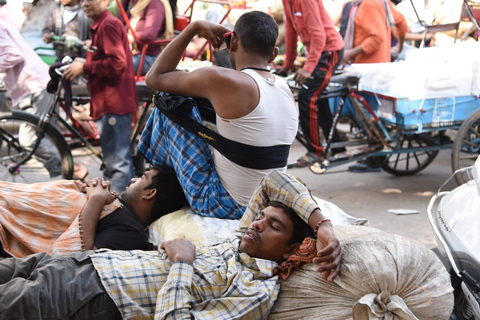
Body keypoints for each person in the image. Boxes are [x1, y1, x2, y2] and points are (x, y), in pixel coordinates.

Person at [0, 169, 342, 319]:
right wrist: (322, 225)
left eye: (274, 226)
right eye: (261, 216)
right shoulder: (238, 243)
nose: (257, 223)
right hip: (80, 266)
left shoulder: (256, 290)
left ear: (290, 250)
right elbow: (273, 181)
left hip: (95, 297)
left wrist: (181, 265)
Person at [139, 11, 298, 219]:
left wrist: (193, 28)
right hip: (268, 204)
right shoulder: (284, 88)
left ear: (232, 43)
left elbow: (154, 77)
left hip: (223, 204)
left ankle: (159, 181)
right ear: (274, 54)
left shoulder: (221, 78)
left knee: (168, 99)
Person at [0, 165, 188, 258]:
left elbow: (72, 260)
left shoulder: (131, 233)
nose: (133, 179)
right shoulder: (118, 205)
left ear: (149, 194)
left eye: (142, 178)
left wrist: (96, 199)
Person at [63, 0, 139, 193]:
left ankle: (122, 213)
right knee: (113, 162)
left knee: (118, 164)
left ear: (105, 2)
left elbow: (117, 63)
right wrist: (85, 61)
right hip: (107, 102)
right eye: (83, 0)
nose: (86, 3)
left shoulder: (108, 24)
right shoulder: (100, 24)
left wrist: (85, 67)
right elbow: (106, 57)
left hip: (114, 103)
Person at [276, 0, 345, 167]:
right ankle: (337, 145)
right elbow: (291, 32)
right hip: (318, 51)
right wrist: (287, 64)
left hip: (329, 51)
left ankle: (316, 152)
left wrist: (308, 68)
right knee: (319, 99)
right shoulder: (287, 2)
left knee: (308, 97)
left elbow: (318, 35)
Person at [340, 0, 407, 172]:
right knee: (371, 115)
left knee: (367, 115)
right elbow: (402, 24)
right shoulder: (380, 2)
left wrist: (350, 53)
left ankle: (376, 158)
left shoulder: (368, 5)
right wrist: (399, 46)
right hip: (376, 70)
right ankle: (376, 156)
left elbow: (377, 37)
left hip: (367, 72)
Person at [127, 0, 174, 75]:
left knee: (117, 66)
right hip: (135, 53)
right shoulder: (139, 3)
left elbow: (149, 34)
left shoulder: (156, 4)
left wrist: (129, 37)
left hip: (149, 57)